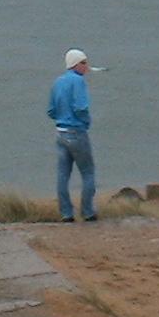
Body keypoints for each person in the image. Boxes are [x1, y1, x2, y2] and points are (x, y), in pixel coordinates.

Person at [47, 47, 96, 222]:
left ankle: (66, 214)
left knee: (62, 175)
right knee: (88, 173)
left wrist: (62, 116)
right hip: (77, 132)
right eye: (83, 62)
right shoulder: (78, 81)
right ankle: (88, 212)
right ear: (75, 64)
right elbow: (81, 107)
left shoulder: (58, 82)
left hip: (60, 134)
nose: (86, 66)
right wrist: (86, 122)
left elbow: (51, 111)